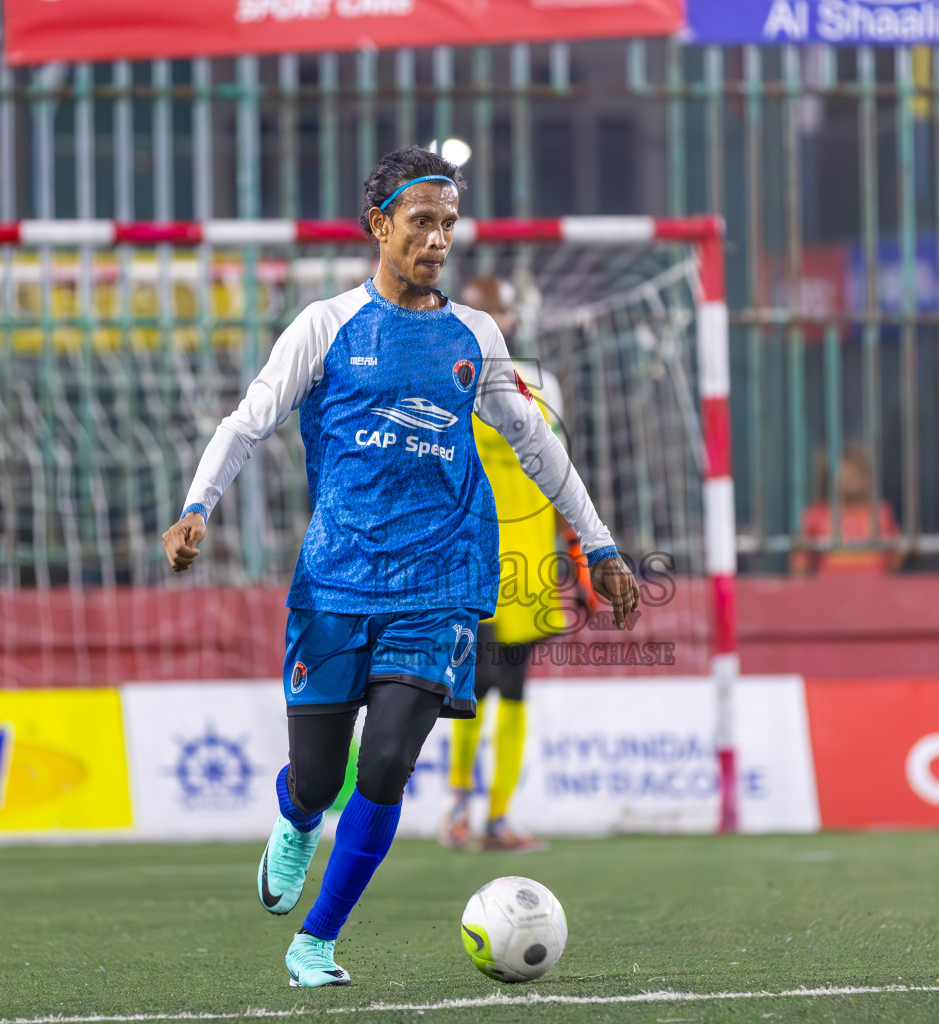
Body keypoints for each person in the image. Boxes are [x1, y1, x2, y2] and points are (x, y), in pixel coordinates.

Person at [161, 146, 640, 989]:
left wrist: (598, 544)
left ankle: (315, 941)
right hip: (336, 583)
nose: (437, 240)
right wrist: (198, 505)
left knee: (383, 764)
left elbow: (537, 444)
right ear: (380, 225)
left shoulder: (475, 337)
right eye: (421, 222)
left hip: (440, 586)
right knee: (318, 778)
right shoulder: (326, 327)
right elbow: (245, 424)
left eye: (448, 224)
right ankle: (297, 816)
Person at [436, 276, 597, 854]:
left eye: (502, 307)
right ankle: (457, 807)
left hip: (530, 554)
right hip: (471, 554)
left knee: (515, 687)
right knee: (471, 687)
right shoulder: (447, 371)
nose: (496, 317)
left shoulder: (542, 382)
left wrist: (578, 554)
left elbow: (556, 474)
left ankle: (499, 817)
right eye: (486, 307)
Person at [791, 443, 902, 575]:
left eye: (858, 473)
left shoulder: (880, 512)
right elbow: (800, 559)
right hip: (829, 589)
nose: (852, 480)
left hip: (874, 588)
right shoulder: (817, 514)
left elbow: (895, 556)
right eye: (845, 473)